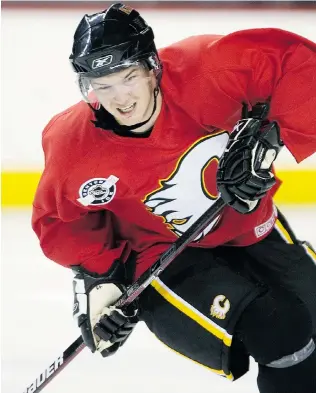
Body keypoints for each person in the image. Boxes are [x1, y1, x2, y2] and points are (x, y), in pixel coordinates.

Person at [32, 3, 316, 392]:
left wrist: (270, 137)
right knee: (280, 330)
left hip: (248, 224)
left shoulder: (211, 68)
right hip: (166, 255)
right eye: (102, 86)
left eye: (128, 77)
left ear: (152, 67)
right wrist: (102, 280)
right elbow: (60, 219)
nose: (120, 99)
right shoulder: (72, 145)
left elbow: (299, 68)